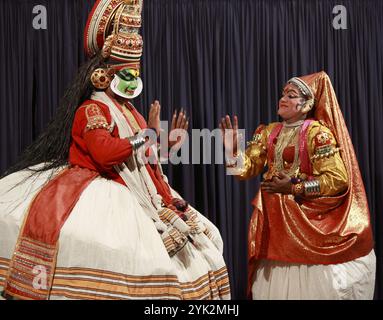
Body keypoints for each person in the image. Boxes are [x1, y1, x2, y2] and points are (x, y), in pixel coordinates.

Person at [0, 0, 230, 300]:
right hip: (105, 188)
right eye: (127, 74)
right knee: (128, 257)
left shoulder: (129, 111)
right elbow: (105, 153)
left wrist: (164, 145)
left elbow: (142, 157)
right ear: (104, 76)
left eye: (135, 73)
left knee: (202, 244)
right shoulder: (92, 109)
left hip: (141, 191)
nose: (133, 80)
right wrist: (145, 136)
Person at [220, 71, 376, 300]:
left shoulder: (318, 134)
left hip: (307, 227)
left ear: (306, 105)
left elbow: (338, 179)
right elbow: (245, 171)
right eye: (283, 94)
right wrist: (231, 151)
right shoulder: (267, 132)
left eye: (291, 96)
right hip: (277, 227)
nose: (283, 99)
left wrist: (296, 188)